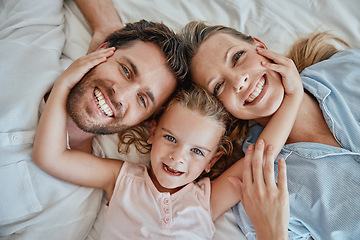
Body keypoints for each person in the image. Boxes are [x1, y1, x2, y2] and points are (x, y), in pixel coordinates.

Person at [32, 35, 302, 237]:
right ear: (153, 132)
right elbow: (51, 157)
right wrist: (64, 85)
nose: (178, 157)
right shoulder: (121, 179)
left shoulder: (208, 200)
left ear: (212, 160)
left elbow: (264, 153)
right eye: (170, 138)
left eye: (197, 151)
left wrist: (294, 96)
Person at [0, 0, 186, 239]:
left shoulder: (73, 206)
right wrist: (105, 23)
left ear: (142, 122)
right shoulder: (33, 42)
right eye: (126, 70)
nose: (120, 95)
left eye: (142, 100)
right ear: (102, 51)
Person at [181, 21, 360, 239]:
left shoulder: (349, 70)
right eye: (218, 86)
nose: (238, 81)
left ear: (260, 46)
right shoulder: (261, 188)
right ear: (220, 108)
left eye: (237, 57)